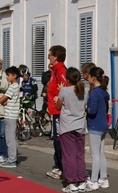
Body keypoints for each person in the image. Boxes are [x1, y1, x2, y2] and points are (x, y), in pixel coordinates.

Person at [55, 67, 88, 193]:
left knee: (69, 155)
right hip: (80, 125)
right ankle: (82, 180)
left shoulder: (64, 90)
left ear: (67, 79)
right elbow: (85, 105)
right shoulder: (84, 90)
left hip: (67, 125)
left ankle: (72, 182)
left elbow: (58, 106)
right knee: (80, 154)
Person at [46, 45, 70, 179]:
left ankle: (62, 167)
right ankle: (58, 166)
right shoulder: (54, 71)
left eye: (50, 55)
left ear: (55, 57)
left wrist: (60, 98)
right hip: (54, 110)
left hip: (59, 111)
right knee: (56, 140)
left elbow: (68, 88)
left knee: (59, 140)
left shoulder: (61, 71)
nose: (48, 57)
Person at [86, 67, 110, 191]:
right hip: (103, 125)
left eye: (88, 76)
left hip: (95, 125)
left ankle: (93, 180)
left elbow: (92, 110)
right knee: (101, 153)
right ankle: (103, 178)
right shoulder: (104, 92)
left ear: (93, 78)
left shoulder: (95, 92)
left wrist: (86, 109)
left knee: (94, 154)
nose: (87, 79)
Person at [0, 66, 20, 168]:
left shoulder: (13, 87)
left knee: (10, 138)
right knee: (12, 138)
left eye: (8, 75)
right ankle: (12, 158)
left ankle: (12, 160)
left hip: (10, 115)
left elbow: (2, 100)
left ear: (14, 76)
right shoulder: (16, 86)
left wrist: (2, 100)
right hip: (12, 114)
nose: (7, 77)